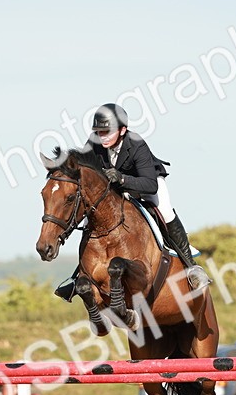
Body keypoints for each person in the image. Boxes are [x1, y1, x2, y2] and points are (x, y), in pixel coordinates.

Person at [54, 103, 209, 301]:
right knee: (89, 220)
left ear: (122, 130)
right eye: (99, 132)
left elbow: (150, 184)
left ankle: (191, 268)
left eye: (107, 132)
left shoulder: (136, 144)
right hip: (114, 190)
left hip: (145, 183)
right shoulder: (94, 142)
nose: (103, 136)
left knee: (165, 210)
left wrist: (122, 179)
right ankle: (78, 278)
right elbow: (80, 167)